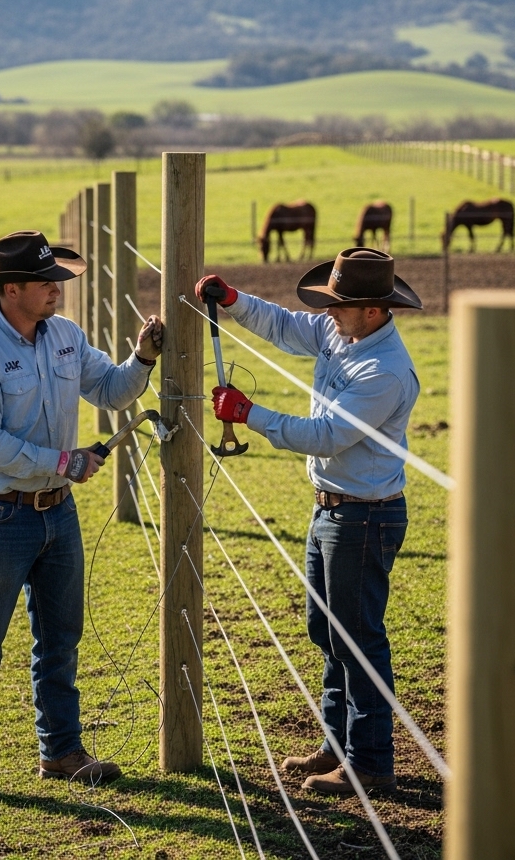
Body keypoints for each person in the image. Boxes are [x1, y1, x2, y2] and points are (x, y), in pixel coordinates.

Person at [0, 230, 163, 801]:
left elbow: (112, 391)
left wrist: (142, 357)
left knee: (61, 638)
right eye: (46, 283)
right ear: (9, 288)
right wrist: (62, 460)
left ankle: (61, 751)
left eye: (57, 281)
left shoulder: (66, 337)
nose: (57, 291)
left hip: (57, 514)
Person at [196, 248, 422, 798]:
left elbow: (325, 436)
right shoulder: (341, 333)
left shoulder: (384, 372)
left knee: (358, 638)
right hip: (333, 508)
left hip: (364, 517)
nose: (329, 312)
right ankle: (338, 742)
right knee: (327, 632)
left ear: (373, 311)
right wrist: (233, 301)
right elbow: (285, 325)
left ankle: (369, 761)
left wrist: (250, 414)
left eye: (339, 305)